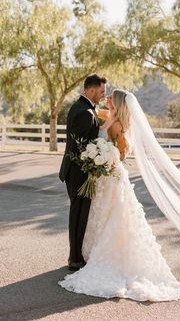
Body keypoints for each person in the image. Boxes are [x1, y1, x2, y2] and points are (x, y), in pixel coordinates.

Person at [59, 89, 180, 301]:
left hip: (112, 177)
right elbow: (97, 128)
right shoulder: (107, 117)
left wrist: (107, 157)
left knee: (112, 215)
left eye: (109, 97)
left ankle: (104, 256)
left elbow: (122, 152)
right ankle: (90, 253)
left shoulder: (117, 125)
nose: (106, 98)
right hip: (105, 177)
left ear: (115, 103)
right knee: (103, 215)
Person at [59, 74, 107, 271]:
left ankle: (76, 256)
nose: (103, 95)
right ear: (92, 90)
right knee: (78, 215)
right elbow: (80, 148)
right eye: (102, 92)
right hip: (79, 172)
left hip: (80, 171)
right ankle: (75, 258)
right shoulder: (84, 112)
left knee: (80, 214)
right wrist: (94, 164)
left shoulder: (83, 108)